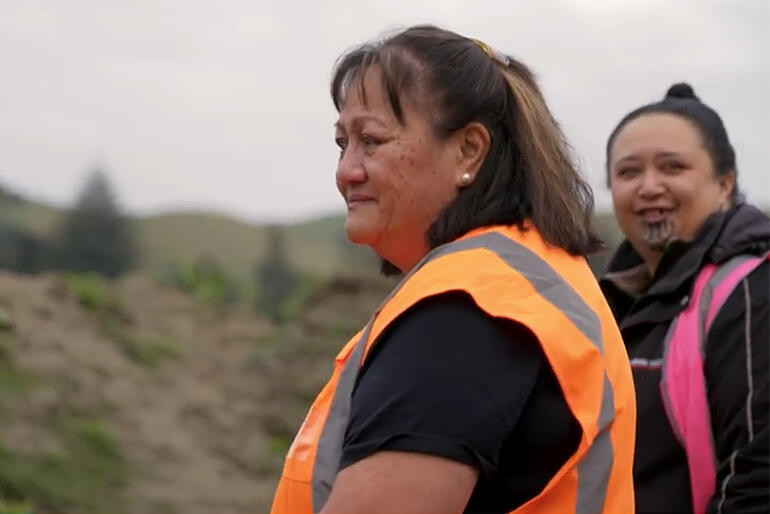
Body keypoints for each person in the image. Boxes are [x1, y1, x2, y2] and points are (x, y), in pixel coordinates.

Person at [271, 25, 636, 514]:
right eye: (343, 143)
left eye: (372, 140)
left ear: (469, 151)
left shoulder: (466, 312)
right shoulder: (527, 279)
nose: (346, 171)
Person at [601, 83, 769, 514]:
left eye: (672, 168)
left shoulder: (752, 290)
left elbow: (758, 474)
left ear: (724, 185)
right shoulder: (606, 302)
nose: (649, 187)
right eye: (628, 172)